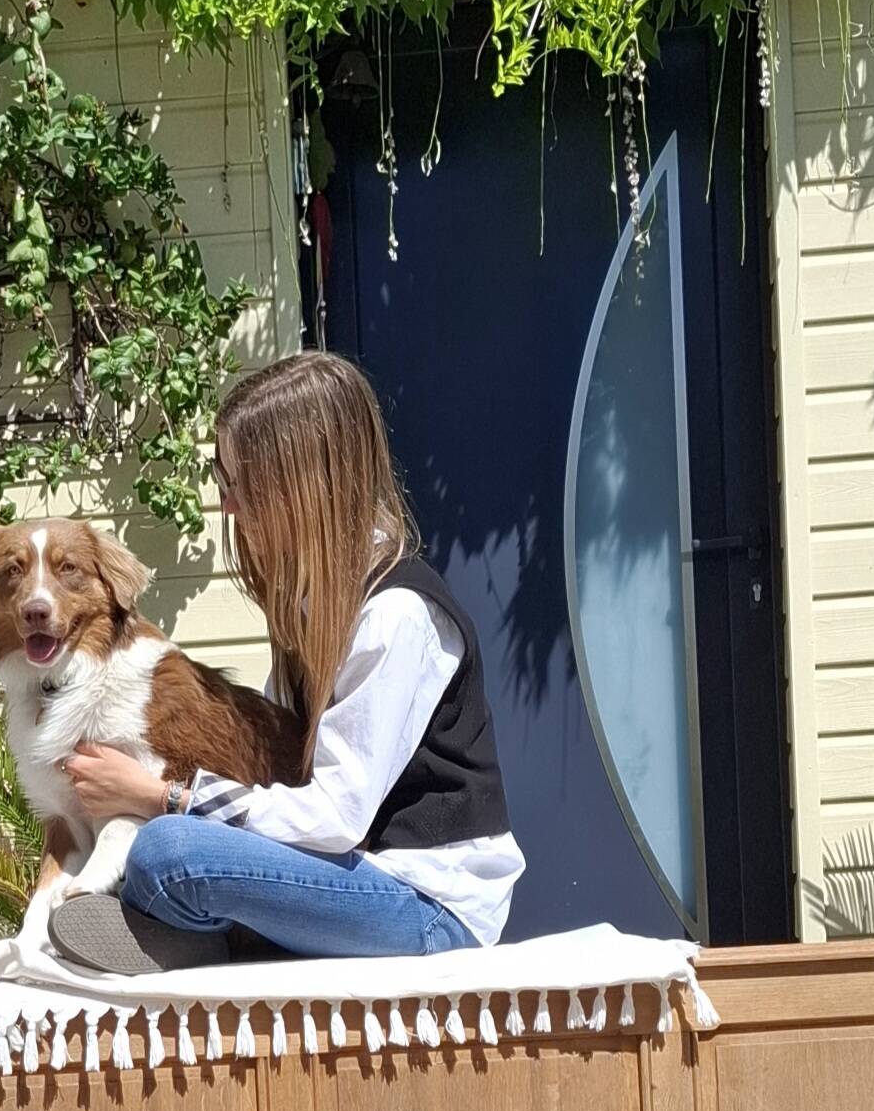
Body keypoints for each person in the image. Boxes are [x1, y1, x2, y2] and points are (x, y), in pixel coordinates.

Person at [49, 350, 525, 974]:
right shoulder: (317, 605)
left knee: (172, 852)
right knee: (168, 850)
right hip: (357, 874)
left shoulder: (396, 615)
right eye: (223, 482)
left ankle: (200, 936)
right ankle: (204, 933)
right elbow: (279, 770)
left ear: (298, 486)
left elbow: (334, 816)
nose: (227, 507)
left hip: (430, 903)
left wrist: (162, 795)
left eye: (238, 485)